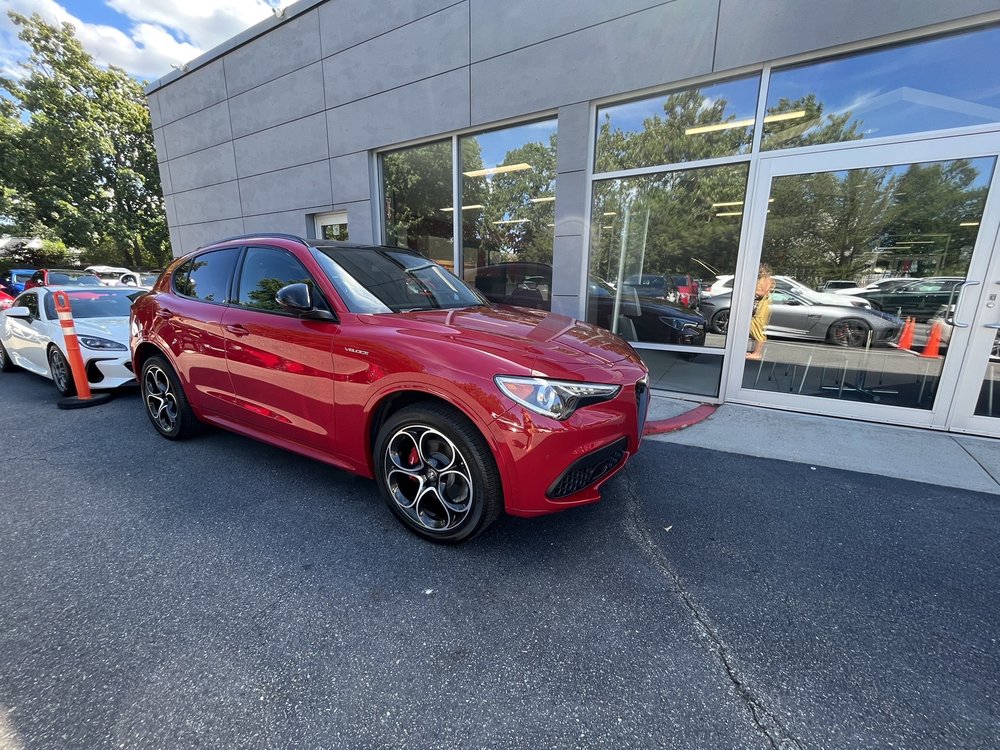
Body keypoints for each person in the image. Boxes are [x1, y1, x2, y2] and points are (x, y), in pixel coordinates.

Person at [747, 263, 775, 360]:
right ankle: (754, 351)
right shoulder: (760, 279)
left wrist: (752, 290)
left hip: (763, 306)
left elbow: (764, 293)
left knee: (758, 327)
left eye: (760, 270)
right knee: (753, 326)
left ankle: (757, 353)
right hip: (759, 306)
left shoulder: (766, 280)